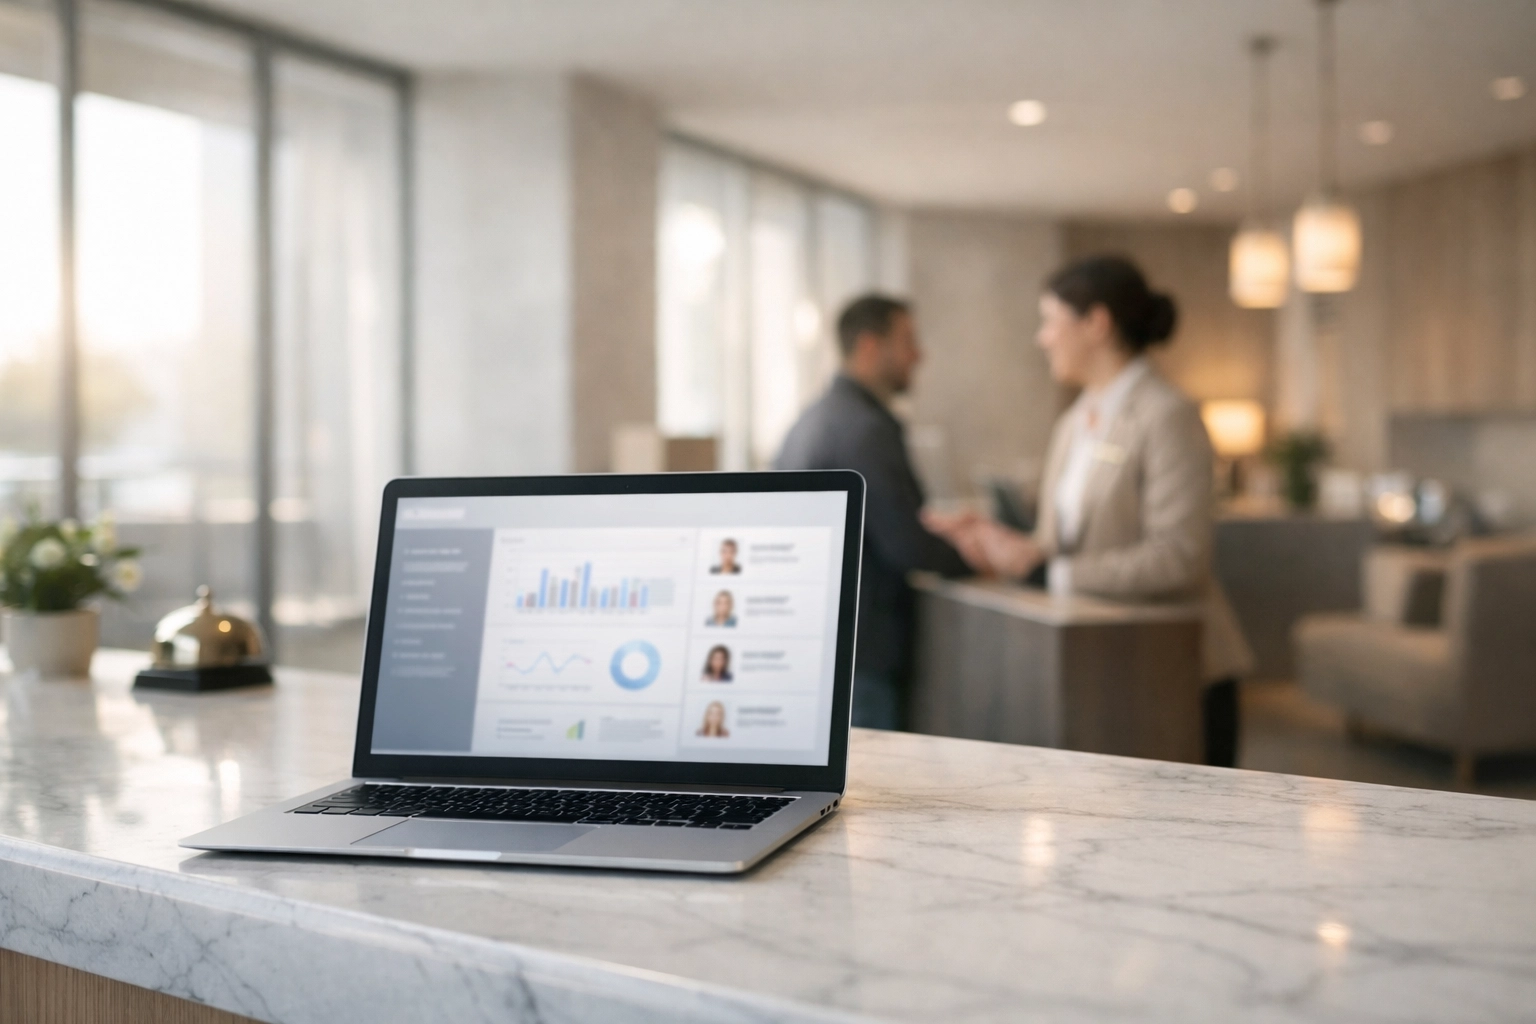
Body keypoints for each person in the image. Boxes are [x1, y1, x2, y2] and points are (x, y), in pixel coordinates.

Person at [928, 255, 1254, 767]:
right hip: (1102, 673)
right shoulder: (1075, 421)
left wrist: (1051, 574)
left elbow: (1178, 557)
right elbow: (1058, 546)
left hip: (1175, 673)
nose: (1042, 338)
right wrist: (996, 540)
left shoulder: (1167, 415)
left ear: (1097, 324)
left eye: (1051, 321)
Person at [775, 293, 980, 730]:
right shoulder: (864, 428)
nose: (918, 354)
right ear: (869, 346)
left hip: (819, 646)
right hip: (863, 654)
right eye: (907, 340)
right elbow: (904, 543)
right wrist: (980, 556)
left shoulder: (811, 419)